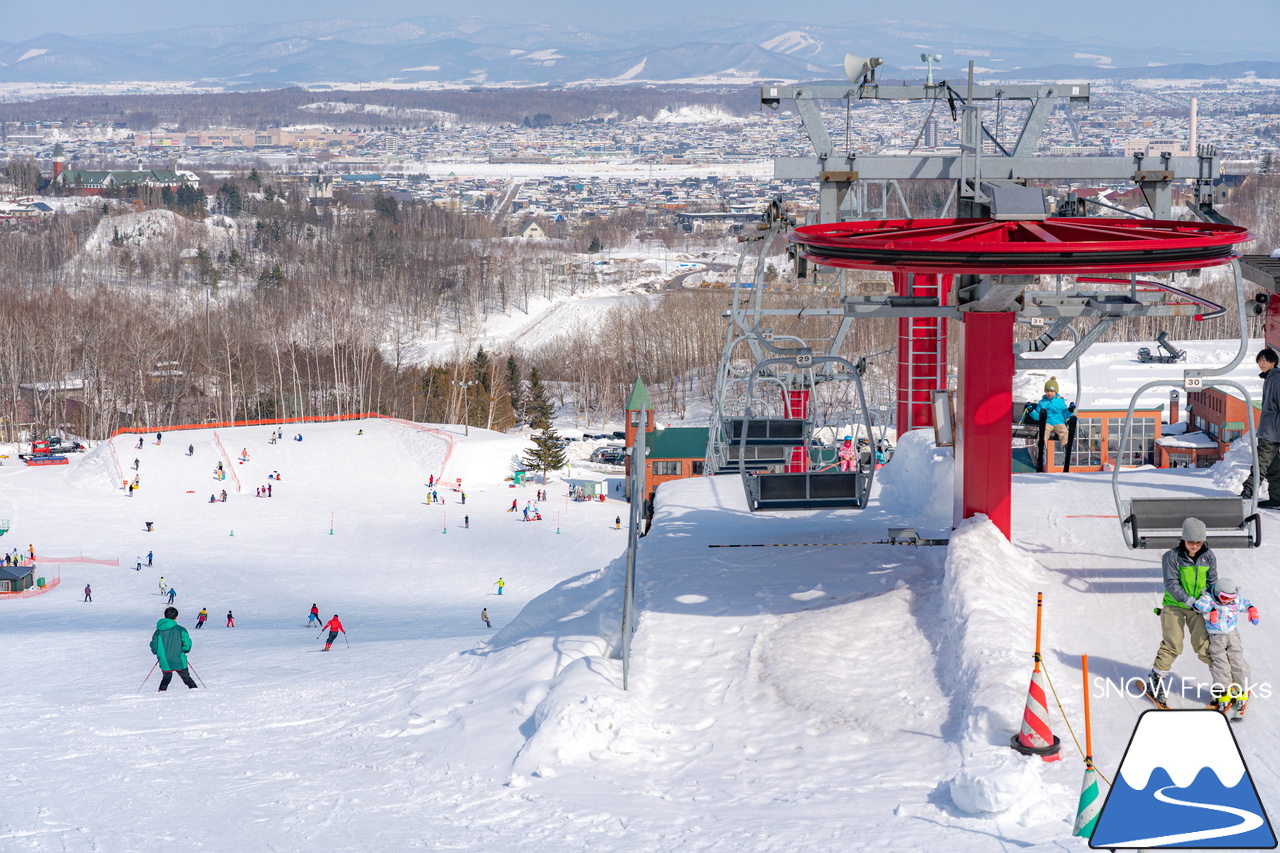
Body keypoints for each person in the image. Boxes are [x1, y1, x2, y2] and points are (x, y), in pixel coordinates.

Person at [1146, 517, 1217, 707]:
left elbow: (1212, 582)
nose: (1194, 545)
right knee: (1173, 644)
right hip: (1175, 605)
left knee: (1204, 646)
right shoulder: (1171, 556)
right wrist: (1187, 599)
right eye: (1190, 541)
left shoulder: (1208, 556)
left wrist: (1208, 599)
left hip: (1198, 607)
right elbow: (1171, 583)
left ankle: (1222, 684)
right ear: (1183, 539)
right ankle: (1156, 681)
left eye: (1199, 542)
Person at [1193, 576, 1260, 714]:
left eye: (1231, 597)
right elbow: (1199, 605)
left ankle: (1242, 690)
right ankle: (1223, 693)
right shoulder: (1208, 598)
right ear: (1217, 593)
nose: (1228, 600)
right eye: (1224, 597)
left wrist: (1252, 610)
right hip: (1217, 638)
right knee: (1221, 665)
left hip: (1232, 635)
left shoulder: (1233, 601)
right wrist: (1211, 610)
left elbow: (1245, 603)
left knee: (1237, 661)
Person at [1243, 348, 1280, 506]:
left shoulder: (1276, 378)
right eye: (1259, 360)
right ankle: (1277, 498)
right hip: (1271, 429)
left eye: (1265, 360)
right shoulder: (1270, 377)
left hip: (1271, 431)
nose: (1261, 363)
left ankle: (1247, 492)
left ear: (1274, 362)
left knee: (1260, 462)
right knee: (1273, 466)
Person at [150, 606, 196, 691]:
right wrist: (184, 650)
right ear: (176, 617)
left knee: (166, 679)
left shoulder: (158, 631)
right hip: (179, 659)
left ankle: (161, 693)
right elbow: (187, 645)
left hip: (164, 660)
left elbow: (154, 647)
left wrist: (158, 652)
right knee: (187, 679)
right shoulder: (180, 629)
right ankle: (196, 692)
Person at [1030, 377, 1073, 470]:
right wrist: (1031, 411)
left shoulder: (1060, 401)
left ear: (1056, 392)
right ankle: (1042, 442)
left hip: (1058, 422)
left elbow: (1065, 414)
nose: (1050, 393)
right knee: (1044, 430)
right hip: (1047, 422)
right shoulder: (1042, 402)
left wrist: (1070, 410)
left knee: (1063, 431)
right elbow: (1037, 416)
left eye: (1052, 391)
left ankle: (1065, 445)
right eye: (1048, 391)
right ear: (1045, 392)